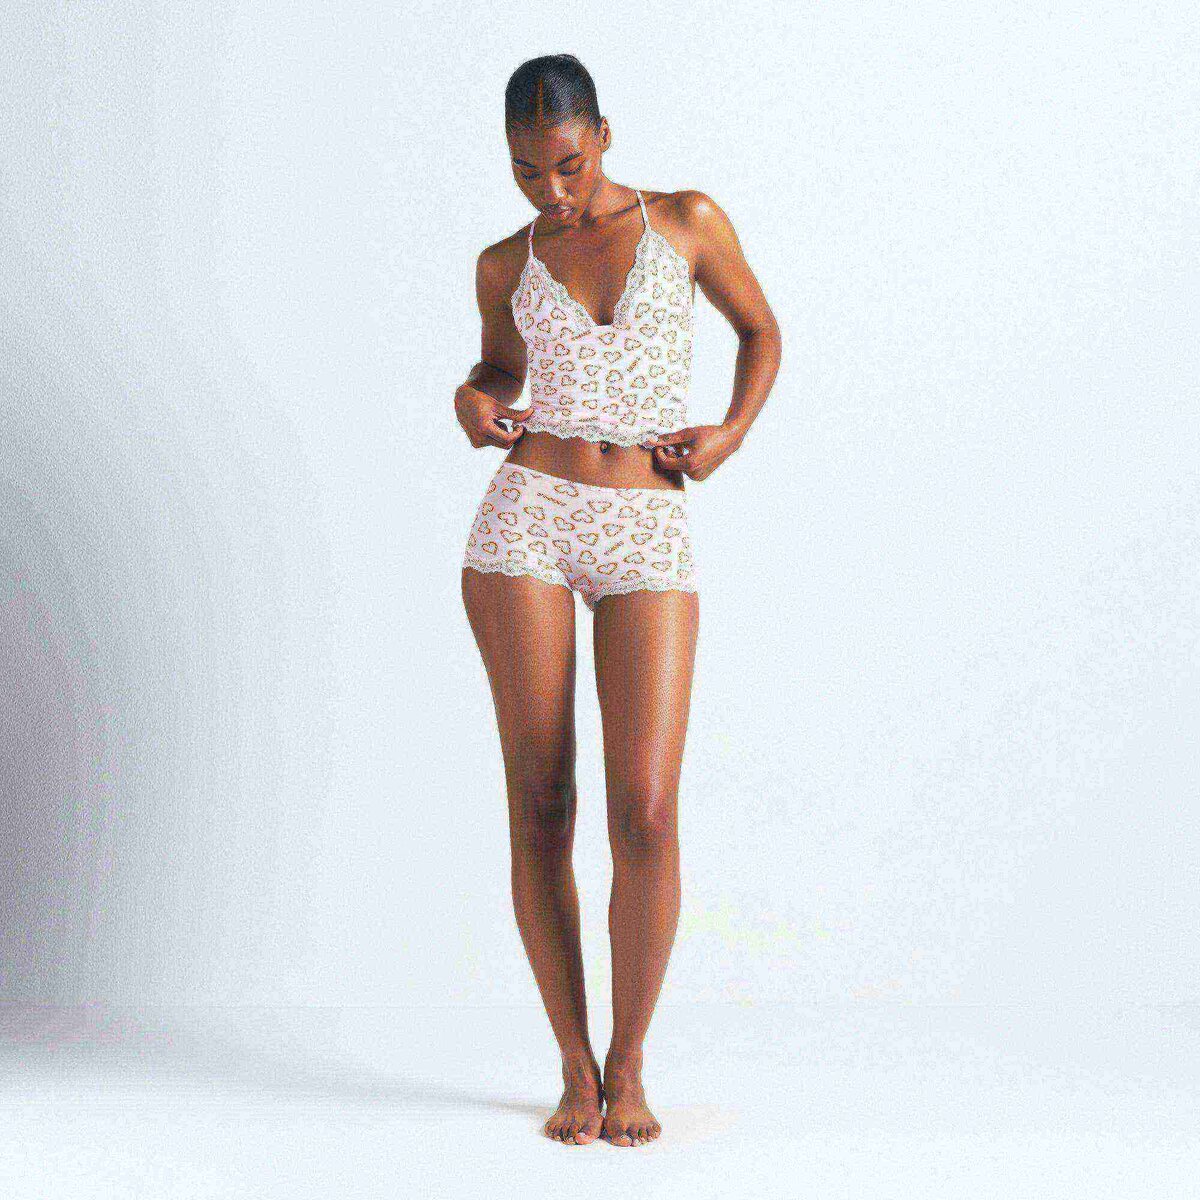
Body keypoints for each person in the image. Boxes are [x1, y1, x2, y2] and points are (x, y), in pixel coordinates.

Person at [456, 54, 781, 1147]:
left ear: (602, 133)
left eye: (566, 163)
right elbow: (497, 372)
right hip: (527, 522)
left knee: (643, 808)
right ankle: (573, 1063)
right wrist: (472, 397)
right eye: (525, 171)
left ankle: (631, 1059)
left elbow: (761, 330)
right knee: (542, 803)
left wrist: (730, 434)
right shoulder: (506, 262)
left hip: (646, 524)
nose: (550, 190)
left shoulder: (686, 221)